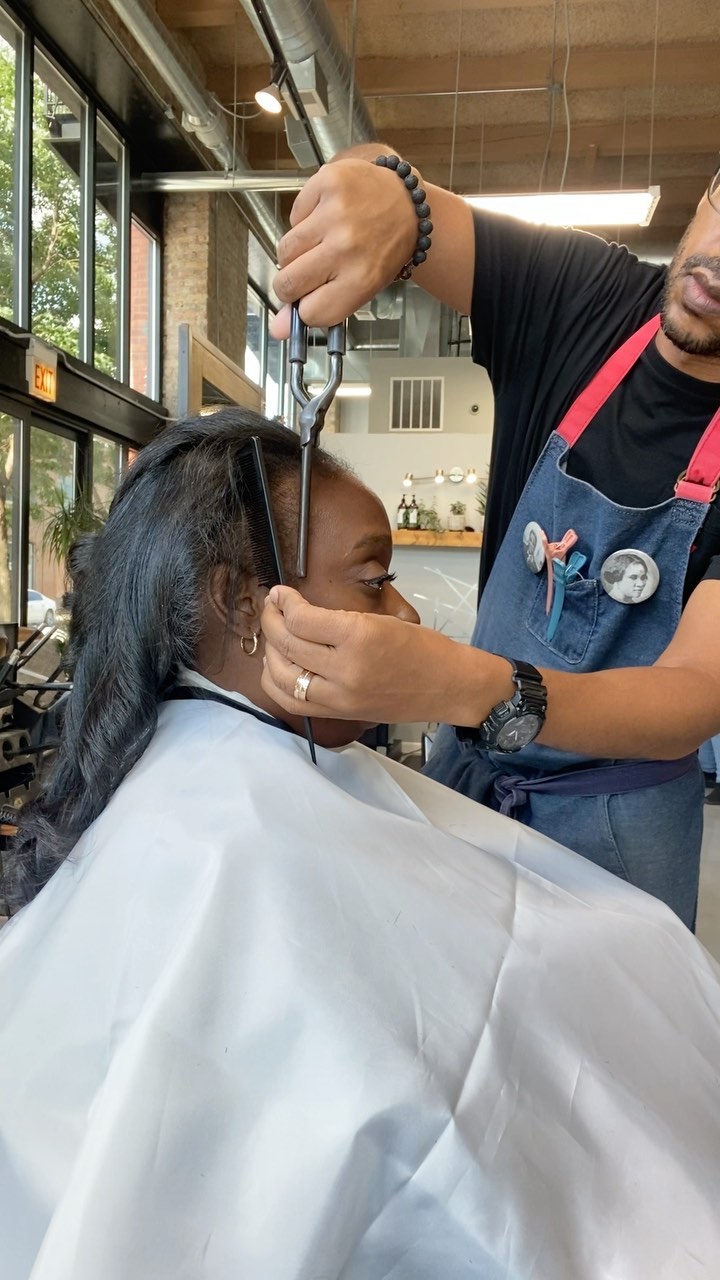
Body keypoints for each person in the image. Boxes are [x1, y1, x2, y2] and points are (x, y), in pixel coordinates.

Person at [2, 408, 720, 1279]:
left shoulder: (201, 777)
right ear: (241, 603)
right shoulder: (223, 851)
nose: (408, 613)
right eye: (376, 581)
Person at [261, 146, 720, 929]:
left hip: (617, 829)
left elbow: (695, 692)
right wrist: (385, 199)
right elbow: (411, 206)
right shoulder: (585, 296)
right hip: (471, 778)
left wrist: (470, 685)